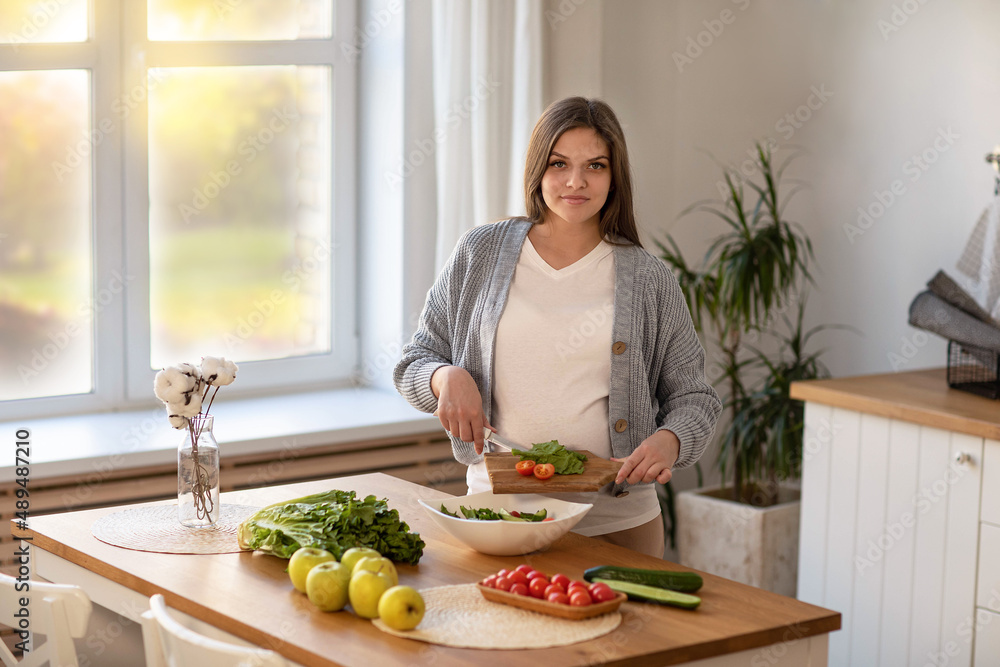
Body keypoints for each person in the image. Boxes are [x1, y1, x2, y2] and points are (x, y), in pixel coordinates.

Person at [393, 97, 721, 558]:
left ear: (615, 176)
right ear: (537, 169)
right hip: (500, 514)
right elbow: (414, 361)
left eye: (596, 165)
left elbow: (695, 399)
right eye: (559, 163)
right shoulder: (480, 253)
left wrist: (672, 440)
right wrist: (445, 376)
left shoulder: (648, 278)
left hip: (616, 522)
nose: (576, 181)